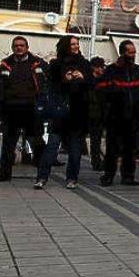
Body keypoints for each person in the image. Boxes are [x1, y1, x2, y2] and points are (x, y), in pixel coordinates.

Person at [35, 36, 92, 189]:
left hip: (78, 112)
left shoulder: (85, 64)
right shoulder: (56, 64)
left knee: (75, 149)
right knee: (52, 146)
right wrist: (64, 79)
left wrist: (83, 77)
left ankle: (72, 178)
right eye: (72, 44)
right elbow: (51, 86)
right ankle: (42, 177)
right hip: (60, 112)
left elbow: (91, 86)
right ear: (65, 46)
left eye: (77, 44)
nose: (76, 46)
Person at [97, 40, 139, 186]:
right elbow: (101, 91)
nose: (133, 55)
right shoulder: (111, 71)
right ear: (122, 53)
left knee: (130, 148)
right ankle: (109, 174)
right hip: (115, 116)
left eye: (134, 52)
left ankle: (128, 176)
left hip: (133, 117)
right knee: (112, 147)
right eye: (130, 52)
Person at [0, 36, 47, 181]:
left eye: (21, 45)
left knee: (37, 142)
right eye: (16, 45)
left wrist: (42, 103)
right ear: (12, 48)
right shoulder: (6, 64)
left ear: (27, 47)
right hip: (11, 109)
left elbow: (45, 84)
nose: (19, 48)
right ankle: (4, 173)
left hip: (31, 108)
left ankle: (42, 173)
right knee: (8, 143)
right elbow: (1, 87)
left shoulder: (37, 63)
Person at [87, 57, 106, 171]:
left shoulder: (101, 80)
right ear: (95, 68)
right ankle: (96, 161)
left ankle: (97, 161)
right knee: (95, 139)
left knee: (97, 139)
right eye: (100, 67)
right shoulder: (90, 81)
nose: (102, 69)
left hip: (100, 113)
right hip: (92, 114)